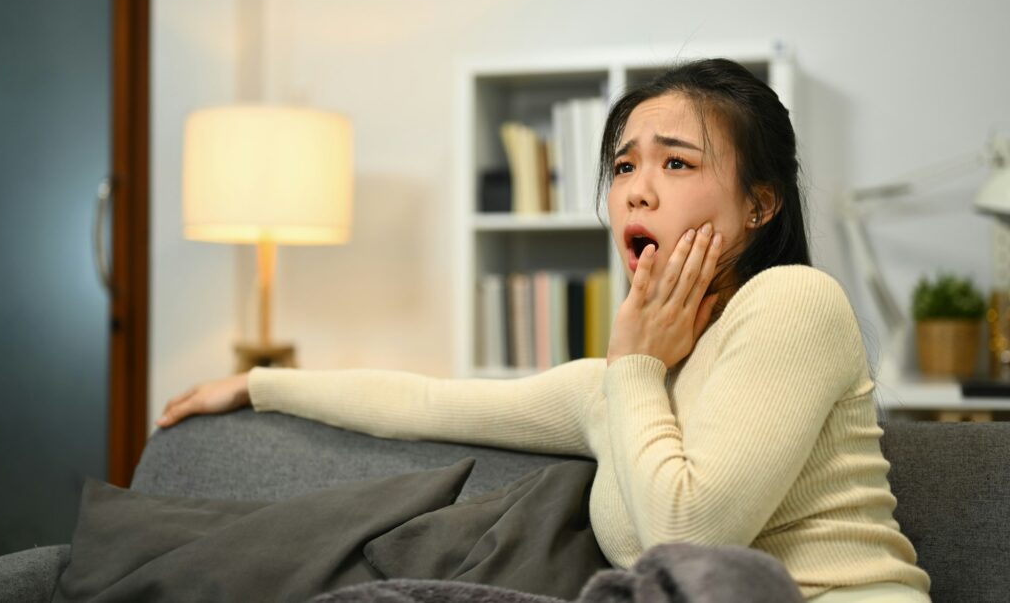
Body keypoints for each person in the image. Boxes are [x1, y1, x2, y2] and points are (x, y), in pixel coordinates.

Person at [158, 59, 932, 602]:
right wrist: (258, 385)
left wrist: (631, 363)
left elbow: (689, 534)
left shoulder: (795, 303)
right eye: (624, 167)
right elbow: (429, 404)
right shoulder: (618, 388)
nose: (637, 193)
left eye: (677, 165)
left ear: (761, 206)